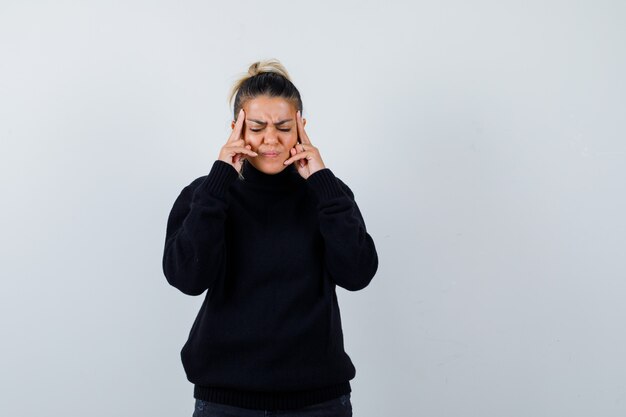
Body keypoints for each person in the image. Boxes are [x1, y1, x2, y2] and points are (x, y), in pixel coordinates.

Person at [162, 58, 379, 417]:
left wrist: (322, 184)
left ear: (302, 128)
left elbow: (357, 274)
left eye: (283, 126)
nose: (270, 139)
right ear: (236, 129)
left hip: (318, 400)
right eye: (257, 126)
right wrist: (220, 181)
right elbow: (186, 278)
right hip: (225, 401)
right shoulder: (207, 194)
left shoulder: (328, 194)